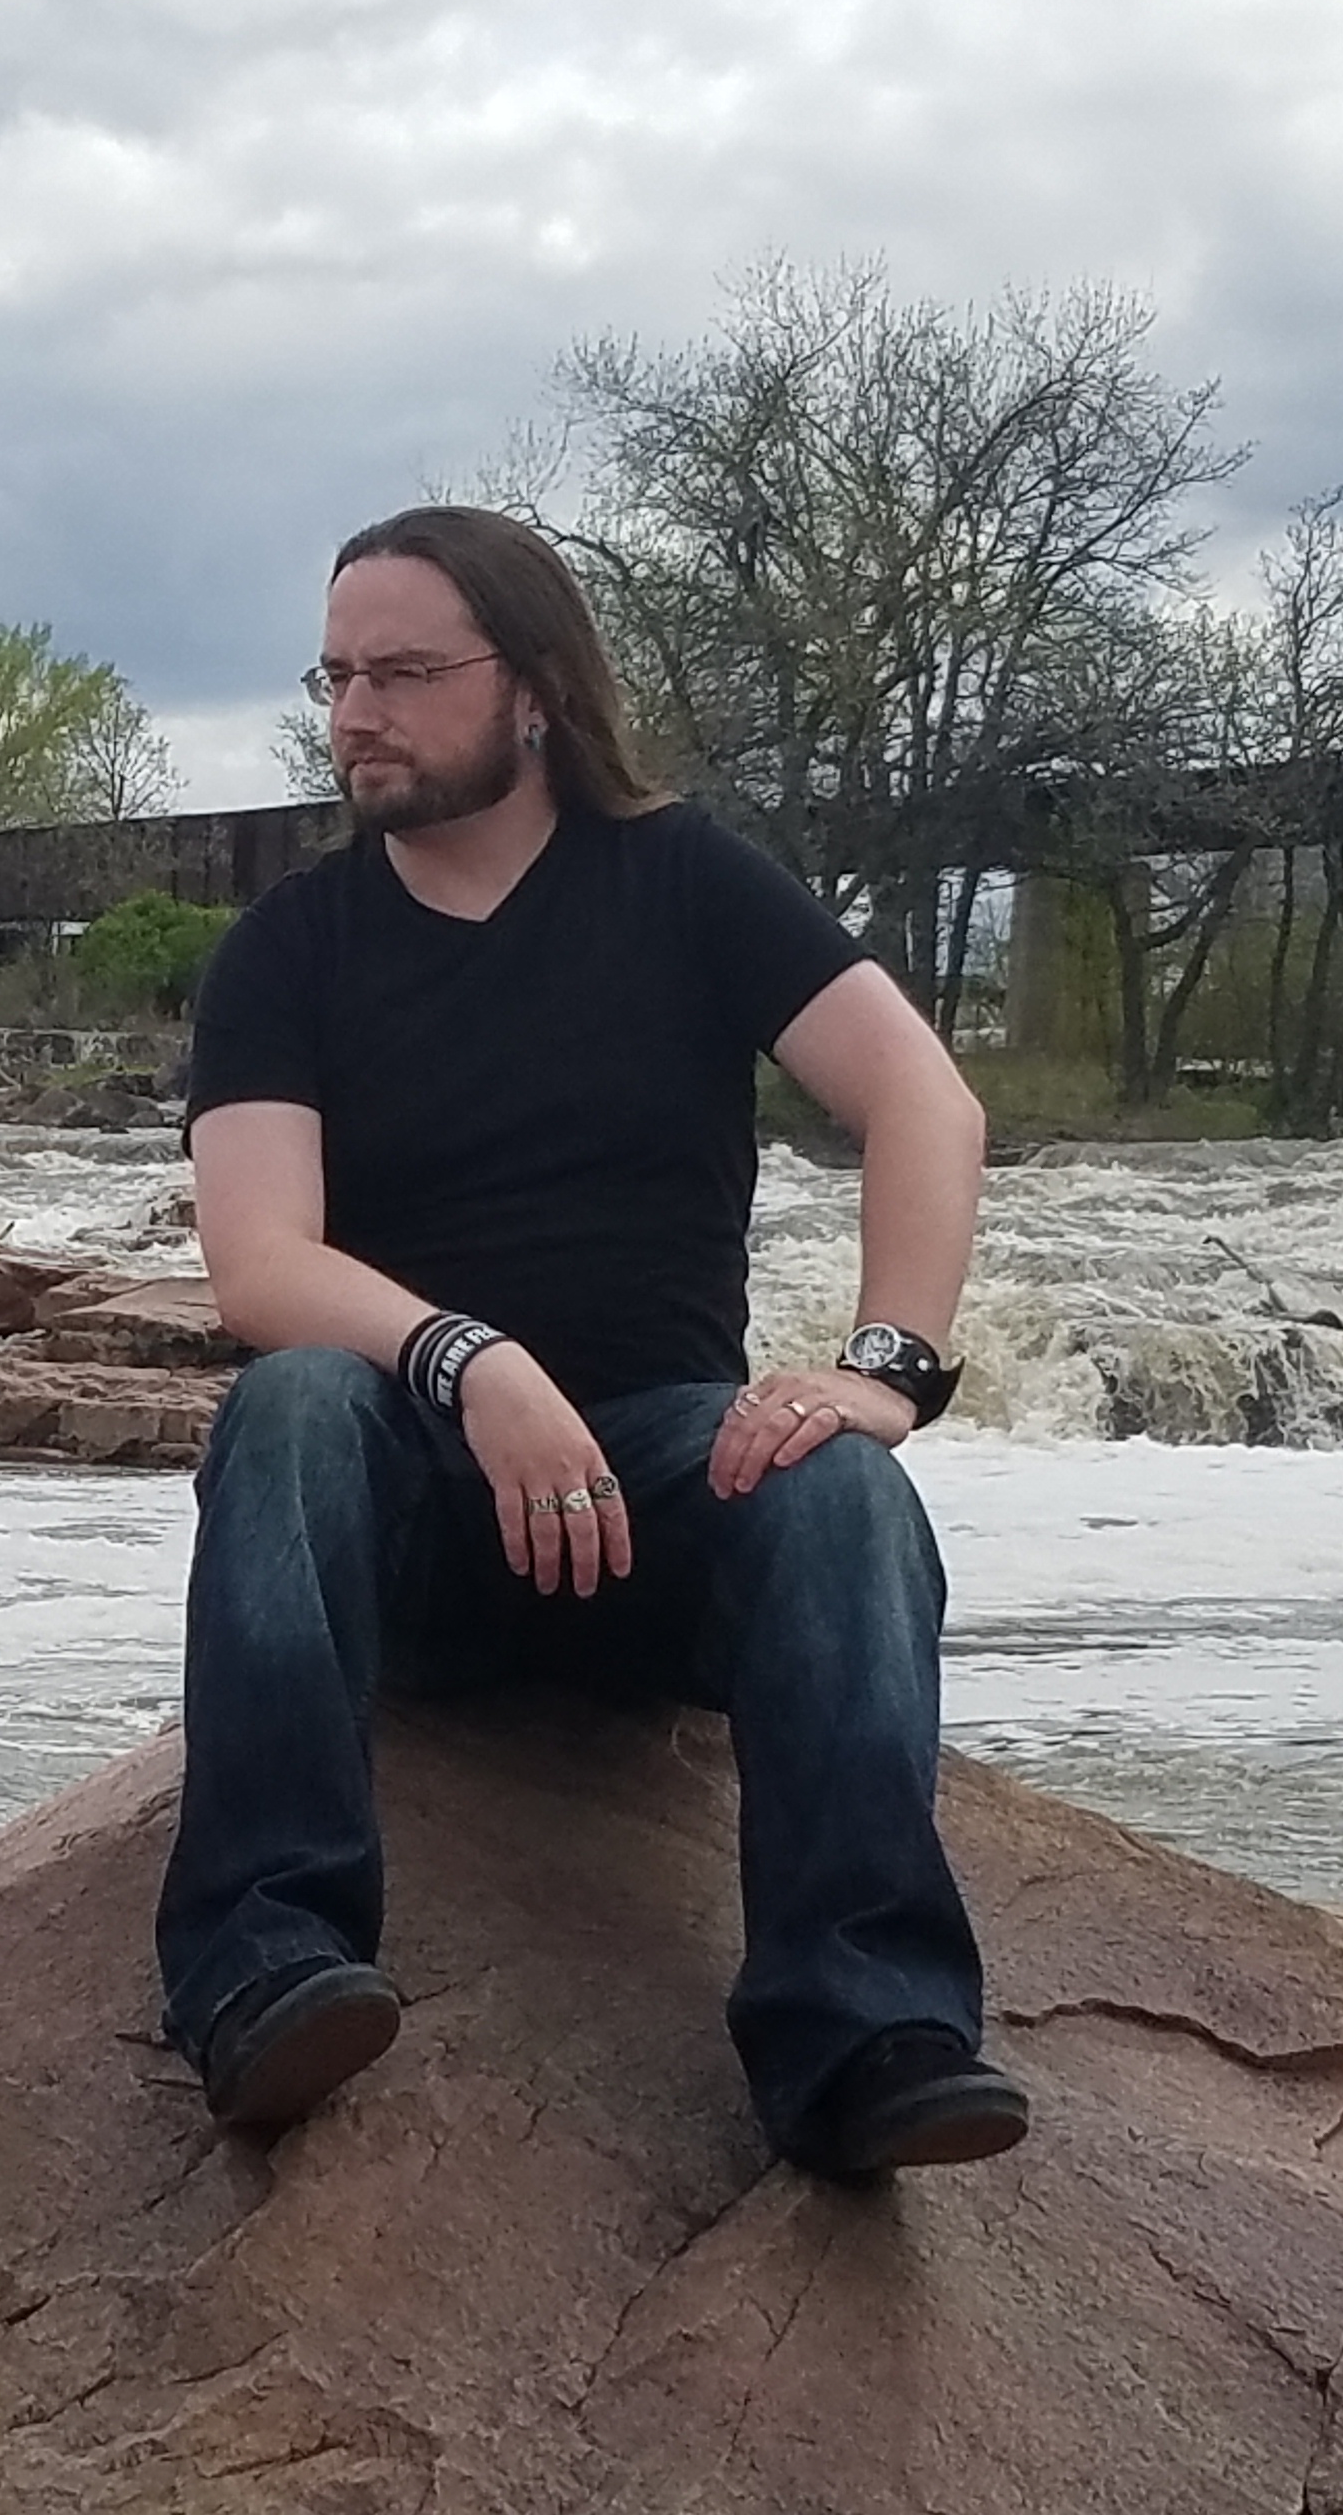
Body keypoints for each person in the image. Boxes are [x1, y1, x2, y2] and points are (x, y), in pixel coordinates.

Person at [158, 502, 1026, 2180]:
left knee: (841, 1487)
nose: (356, 715)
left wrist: (886, 1371)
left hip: (656, 1513)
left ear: (536, 685)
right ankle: (261, 1970)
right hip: (409, 1522)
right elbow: (259, 1264)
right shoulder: (289, 950)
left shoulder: (685, 884)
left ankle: (867, 2036)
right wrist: (468, 1362)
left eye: (404, 673)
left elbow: (924, 1098)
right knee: (292, 1405)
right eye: (337, 676)